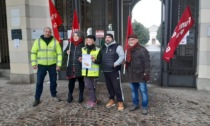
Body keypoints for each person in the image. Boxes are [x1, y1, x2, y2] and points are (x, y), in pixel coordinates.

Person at [31, 27, 62, 107]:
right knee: (39, 82)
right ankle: (37, 98)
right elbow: (33, 52)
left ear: (51, 32)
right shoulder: (37, 41)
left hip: (52, 65)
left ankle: (54, 95)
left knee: (53, 81)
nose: (48, 33)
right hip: (41, 65)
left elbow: (59, 54)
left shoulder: (55, 42)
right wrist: (34, 63)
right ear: (43, 32)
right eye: (46, 31)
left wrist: (59, 64)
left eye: (49, 32)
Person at [125, 34, 150, 115]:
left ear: (137, 40)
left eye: (132, 39)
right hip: (131, 75)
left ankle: (144, 107)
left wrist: (146, 73)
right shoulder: (128, 50)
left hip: (140, 75)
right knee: (133, 91)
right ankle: (135, 104)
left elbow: (147, 63)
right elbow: (128, 62)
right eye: (129, 40)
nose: (131, 41)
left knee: (143, 91)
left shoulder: (142, 50)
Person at [101, 33, 125, 111]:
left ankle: (120, 101)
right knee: (109, 87)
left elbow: (122, 56)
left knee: (117, 87)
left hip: (114, 70)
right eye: (106, 37)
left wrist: (116, 63)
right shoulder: (103, 47)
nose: (107, 39)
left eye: (109, 37)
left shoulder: (117, 46)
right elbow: (101, 58)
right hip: (106, 70)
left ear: (112, 38)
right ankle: (112, 99)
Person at [80, 35, 101, 109]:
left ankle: (93, 101)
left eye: (90, 40)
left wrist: (94, 60)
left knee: (92, 87)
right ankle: (93, 100)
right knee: (89, 87)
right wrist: (80, 60)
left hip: (93, 72)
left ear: (93, 41)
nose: (89, 41)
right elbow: (81, 58)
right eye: (87, 40)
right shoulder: (83, 49)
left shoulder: (98, 50)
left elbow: (100, 61)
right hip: (85, 72)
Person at [65, 31, 85, 103]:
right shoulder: (70, 44)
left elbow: (86, 55)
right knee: (71, 82)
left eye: (77, 36)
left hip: (79, 66)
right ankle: (70, 95)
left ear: (80, 37)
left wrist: (82, 58)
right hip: (71, 66)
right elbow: (64, 53)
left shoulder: (83, 45)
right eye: (74, 36)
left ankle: (81, 95)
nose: (75, 37)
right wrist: (66, 52)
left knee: (81, 81)